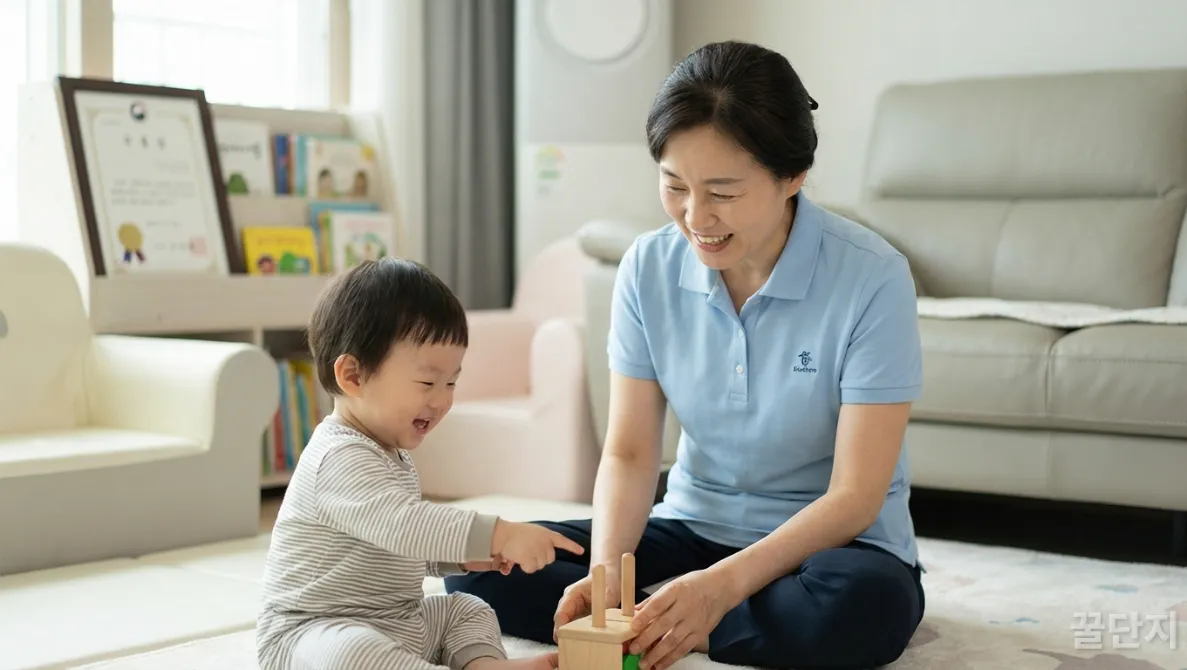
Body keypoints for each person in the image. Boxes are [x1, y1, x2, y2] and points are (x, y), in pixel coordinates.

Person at [445, 40, 926, 670]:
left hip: (833, 547)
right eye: (675, 186)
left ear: (793, 177)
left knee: (860, 608)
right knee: (485, 571)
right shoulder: (647, 266)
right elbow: (630, 450)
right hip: (694, 526)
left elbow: (856, 497)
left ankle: (684, 619)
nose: (696, 217)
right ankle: (671, 616)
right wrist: (607, 579)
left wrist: (719, 588)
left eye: (723, 192)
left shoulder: (873, 277)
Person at [255, 258, 586, 670]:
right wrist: (496, 534)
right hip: (313, 632)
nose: (443, 399)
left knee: (466, 608)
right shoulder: (337, 457)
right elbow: (404, 525)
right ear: (353, 376)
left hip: (396, 620)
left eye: (451, 382)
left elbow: (401, 548)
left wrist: (465, 559)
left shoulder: (392, 455)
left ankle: (486, 665)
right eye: (428, 383)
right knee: (352, 653)